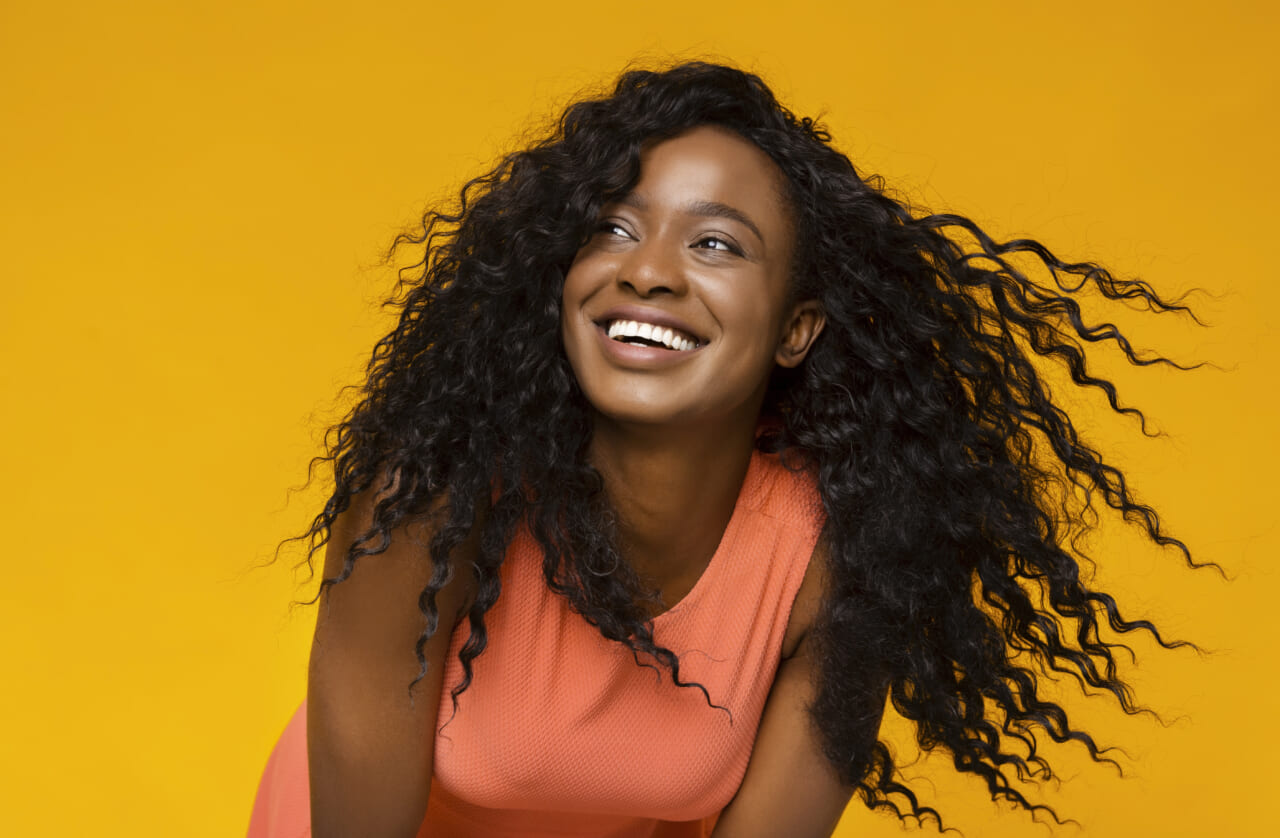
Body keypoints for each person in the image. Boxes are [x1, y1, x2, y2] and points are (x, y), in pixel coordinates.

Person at [248, 61, 1204, 837]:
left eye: (716, 245)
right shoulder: (434, 498)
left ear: (797, 328)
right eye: (613, 228)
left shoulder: (844, 556)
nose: (649, 270)